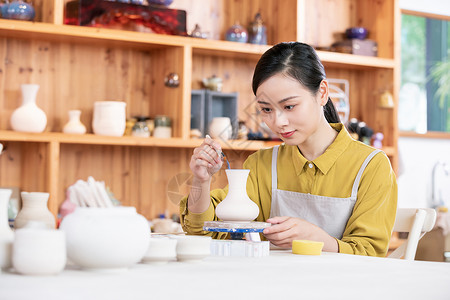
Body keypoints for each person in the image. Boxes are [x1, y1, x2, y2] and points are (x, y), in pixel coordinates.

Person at [179, 42, 397, 256]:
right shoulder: (261, 164)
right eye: (266, 109)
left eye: (289, 106)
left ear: (322, 93)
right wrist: (201, 181)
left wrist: (316, 239)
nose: (278, 122)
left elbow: (370, 254)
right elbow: (205, 231)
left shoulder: (371, 166)